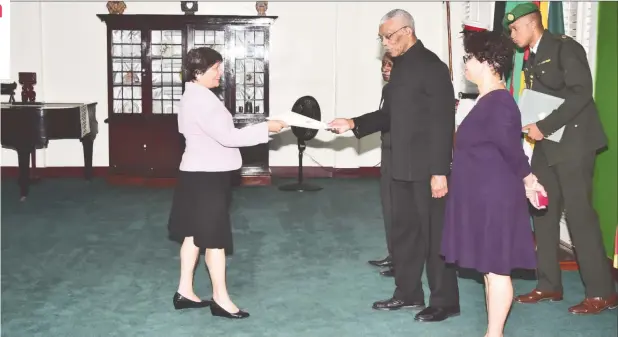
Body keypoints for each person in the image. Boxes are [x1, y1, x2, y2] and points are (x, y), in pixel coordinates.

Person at [329, 9, 460, 322]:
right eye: (381, 37)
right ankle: (408, 293)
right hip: (400, 166)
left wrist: (440, 171)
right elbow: (389, 116)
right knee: (403, 234)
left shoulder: (432, 66)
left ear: (408, 31)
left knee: (433, 238)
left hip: (428, 169)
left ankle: (445, 301)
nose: (384, 43)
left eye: (388, 36)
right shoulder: (400, 67)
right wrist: (352, 122)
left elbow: (444, 122)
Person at [504, 3, 618, 314]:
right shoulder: (533, 55)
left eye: (514, 28)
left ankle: (602, 292)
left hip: (575, 143)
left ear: (530, 23)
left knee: (580, 217)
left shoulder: (565, 48)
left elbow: (582, 92)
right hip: (548, 144)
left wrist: (543, 126)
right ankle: (549, 284)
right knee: (542, 210)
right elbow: (543, 98)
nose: (511, 35)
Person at [440, 30, 547, 337]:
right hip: (482, 195)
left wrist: (529, 181)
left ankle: (494, 334)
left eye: (469, 58)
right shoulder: (488, 100)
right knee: (490, 270)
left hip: (494, 198)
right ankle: (493, 331)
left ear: (487, 62)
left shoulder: (499, 102)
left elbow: (512, 151)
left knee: (497, 270)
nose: (465, 64)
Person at [167, 47, 287, 319]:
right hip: (207, 177)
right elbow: (229, 137)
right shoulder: (202, 100)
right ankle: (220, 300)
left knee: (193, 234)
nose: (220, 73)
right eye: (215, 69)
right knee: (214, 239)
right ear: (198, 72)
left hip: (195, 174)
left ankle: (184, 291)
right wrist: (266, 127)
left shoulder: (192, 95)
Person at [365, 52, 396, 278]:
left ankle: (402, 262)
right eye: (383, 65)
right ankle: (394, 254)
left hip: (401, 156)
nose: (384, 69)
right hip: (388, 153)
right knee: (388, 207)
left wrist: (353, 124)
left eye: (389, 65)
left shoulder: (402, 92)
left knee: (399, 210)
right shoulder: (388, 90)